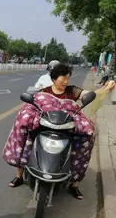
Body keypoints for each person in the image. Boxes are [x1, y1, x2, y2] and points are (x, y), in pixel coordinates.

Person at [6, 63, 115, 200]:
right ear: (53, 79)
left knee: (88, 135)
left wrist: (106, 88)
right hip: (45, 127)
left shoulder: (72, 91)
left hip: (67, 128)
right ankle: (19, 175)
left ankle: (74, 184)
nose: (66, 81)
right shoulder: (43, 92)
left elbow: (89, 95)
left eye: (68, 78)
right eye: (63, 78)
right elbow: (31, 106)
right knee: (26, 136)